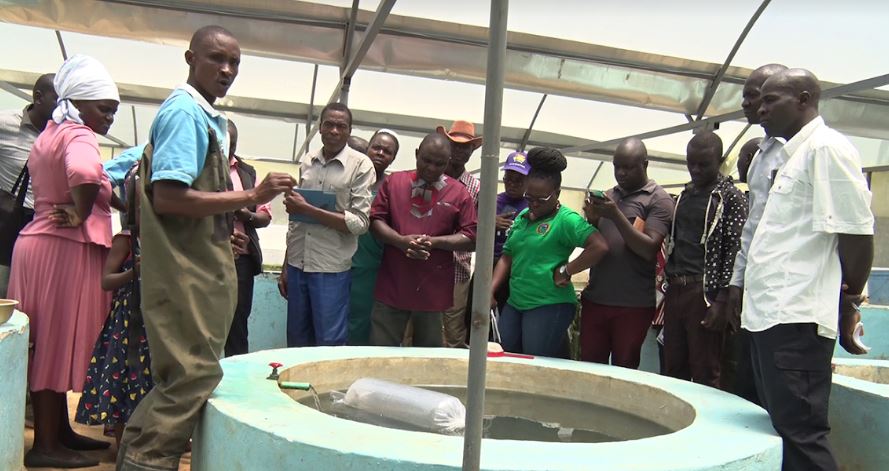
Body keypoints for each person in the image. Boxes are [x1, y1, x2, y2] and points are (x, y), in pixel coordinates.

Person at [117, 26, 295, 471]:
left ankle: (134, 459)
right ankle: (145, 462)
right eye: (217, 58)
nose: (227, 70)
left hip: (191, 268)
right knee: (191, 378)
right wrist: (252, 196)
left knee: (180, 378)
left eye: (235, 63)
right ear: (190, 58)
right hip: (183, 271)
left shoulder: (201, 116)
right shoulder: (185, 114)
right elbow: (169, 197)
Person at [742, 68, 874, 471]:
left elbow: (856, 234)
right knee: (781, 429)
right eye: (760, 101)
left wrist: (850, 300)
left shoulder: (827, 149)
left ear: (803, 99)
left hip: (796, 318)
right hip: (769, 315)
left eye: (771, 100)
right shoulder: (790, 156)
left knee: (801, 434)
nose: (761, 109)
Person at [8, 55, 119, 469]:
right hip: (62, 249)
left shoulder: (51, 132)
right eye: (104, 108)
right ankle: (45, 447)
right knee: (53, 345)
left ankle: (58, 433)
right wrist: (81, 210)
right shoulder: (79, 134)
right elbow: (85, 172)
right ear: (80, 103)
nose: (109, 118)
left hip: (37, 247)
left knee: (45, 344)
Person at [491, 147, 609, 357]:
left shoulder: (566, 220)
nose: (534, 204)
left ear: (557, 193)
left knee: (535, 360)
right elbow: (507, 257)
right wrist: (489, 291)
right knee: (506, 354)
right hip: (516, 301)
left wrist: (567, 270)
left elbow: (599, 246)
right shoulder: (523, 216)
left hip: (549, 303)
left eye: (541, 200)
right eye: (529, 198)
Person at [279, 102, 376, 347]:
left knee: (329, 342)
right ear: (320, 128)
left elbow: (360, 223)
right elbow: (296, 222)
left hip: (330, 269)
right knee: (297, 340)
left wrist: (308, 209)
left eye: (341, 126)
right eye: (329, 125)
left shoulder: (361, 165)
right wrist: (286, 265)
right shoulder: (308, 161)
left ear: (349, 130)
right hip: (298, 264)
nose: (334, 131)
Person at [720, 64, 788, 403]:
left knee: (784, 400)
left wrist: (848, 298)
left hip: (788, 301)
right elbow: (752, 228)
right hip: (756, 296)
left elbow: (850, 229)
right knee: (748, 389)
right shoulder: (762, 155)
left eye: (754, 96)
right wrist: (737, 283)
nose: (746, 104)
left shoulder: (807, 151)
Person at [369, 133, 477, 347]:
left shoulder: (459, 193)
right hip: (393, 284)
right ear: (417, 154)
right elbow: (375, 221)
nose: (431, 168)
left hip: (432, 290)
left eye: (439, 164)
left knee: (429, 355)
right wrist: (400, 241)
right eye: (426, 160)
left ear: (448, 162)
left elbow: (472, 237)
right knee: (382, 350)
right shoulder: (394, 182)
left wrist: (434, 242)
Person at [580, 138, 674, 369]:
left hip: (632, 304)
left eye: (628, 167)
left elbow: (648, 249)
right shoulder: (609, 195)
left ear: (645, 164)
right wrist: (593, 219)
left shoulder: (658, 199)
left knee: (625, 369)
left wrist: (615, 215)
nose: (621, 173)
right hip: (597, 298)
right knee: (589, 367)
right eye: (617, 166)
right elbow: (597, 242)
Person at [662, 131, 746, 388]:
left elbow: (736, 250)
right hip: (676, 288)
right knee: (673, 368)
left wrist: (722, 300)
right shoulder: (685, 196)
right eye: (691, 163)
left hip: (705, 292)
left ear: (719, 161)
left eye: (703, 164)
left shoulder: (730, 197)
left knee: (706, 370)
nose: (696, 170)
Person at [75, 169, 150, 454]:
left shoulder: (164, 243)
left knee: (147, 384)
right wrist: (133, 273)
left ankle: (146, 443)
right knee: (123, 383)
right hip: (126, 326)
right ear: (131, 210)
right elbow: (106, 281)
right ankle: (123, 447)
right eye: (142, 209)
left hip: (152, 326)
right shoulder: (126, 240)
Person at [0, 73, 57, 297]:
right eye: (58, 99)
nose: (65, 106)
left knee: (31, 293)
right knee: (3, 288)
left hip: (44, 223)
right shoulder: (5, 124)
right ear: (39, 97)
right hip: (8, 220)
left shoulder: (64, 134)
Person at [224, 119, 273, 356]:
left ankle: (235, 376)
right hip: (204, 258)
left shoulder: (246, 173)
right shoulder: (197, 169)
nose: (228, 148)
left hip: (240, 261)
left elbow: (265, 215)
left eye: (232, 144)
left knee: (237, 326)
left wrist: (246, 215)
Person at [348, 129, 399, 345]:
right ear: (367, 149)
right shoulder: (351, 180)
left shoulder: (393, 188)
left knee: (363, 322)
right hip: (341, 263)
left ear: (393, 158)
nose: (380, 153)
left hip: (373, 267)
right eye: (376, 147)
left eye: (387, 151)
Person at [437, 120, 482, 347]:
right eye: (455, 144)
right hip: (426, 265)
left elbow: (477, 230)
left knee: (453, 332)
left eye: (465, 147)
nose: (459, 151)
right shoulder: (431, 178)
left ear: (472, 151)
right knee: (420, 327)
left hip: (457, 268)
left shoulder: (476, 187)